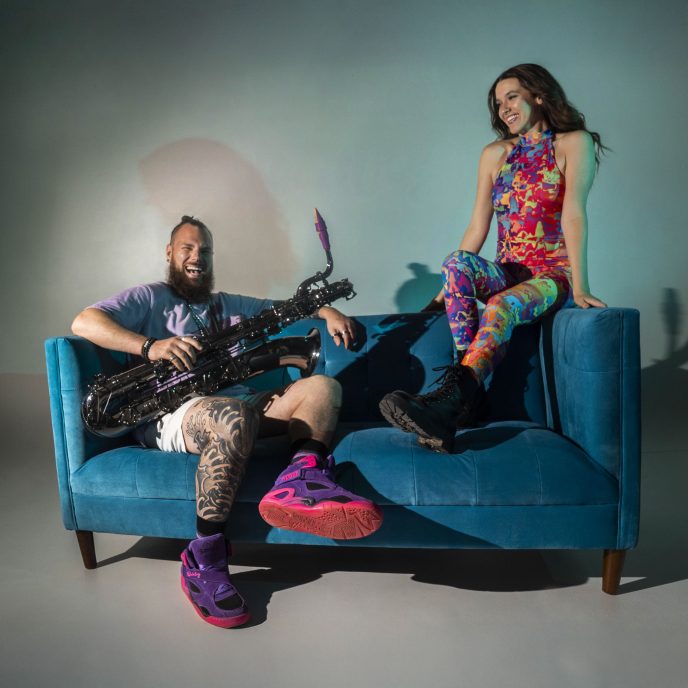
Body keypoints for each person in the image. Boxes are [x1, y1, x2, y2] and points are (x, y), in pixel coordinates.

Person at [72, 215, 382, 628]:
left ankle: (302, 481)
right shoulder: (148, 297)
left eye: (205, 250)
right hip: (174, 412)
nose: (197, 257)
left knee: (324, 388)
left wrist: (327, 310)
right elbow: (83, 321)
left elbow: (283, 309)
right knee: (232, 416)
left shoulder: (227, 304)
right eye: (187, 248)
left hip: (239, 404)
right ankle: (203, 560)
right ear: (170, 253)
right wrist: (151, 346)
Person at [379, 63, 607, 452]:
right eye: (498, 103)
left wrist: (581, 286)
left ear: (539, 96)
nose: (504, 109)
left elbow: (574, 214)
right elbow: (477, 228)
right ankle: (465, 398)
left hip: (552, 277)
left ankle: (452, 403)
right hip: (507, 272)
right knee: (455, 262)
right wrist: (441, 296)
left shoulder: (573, 143)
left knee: (500, 305)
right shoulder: (495, 154)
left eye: (512, 97)